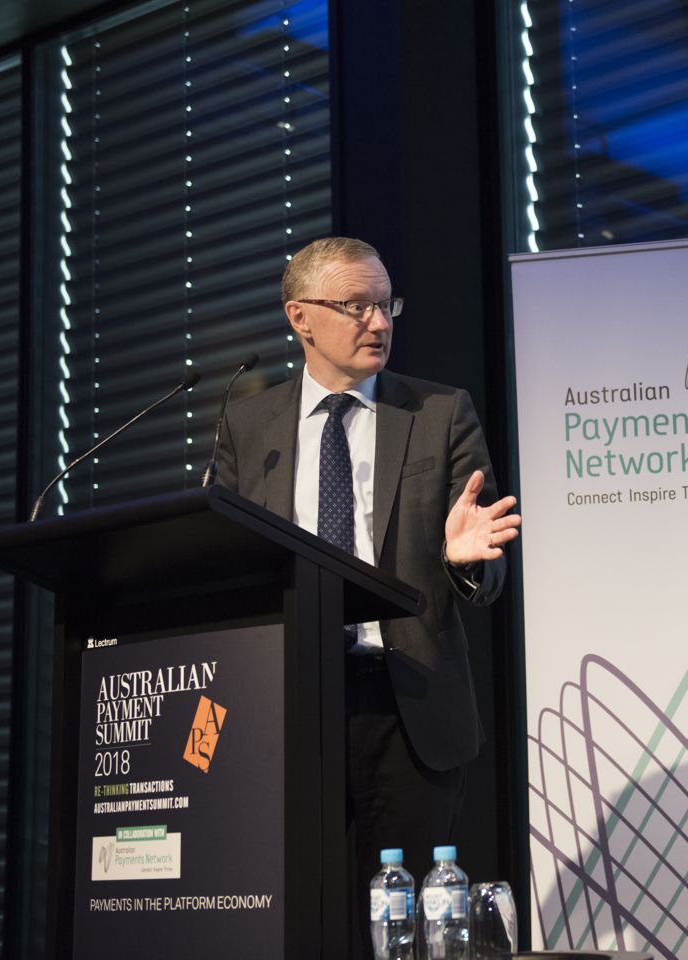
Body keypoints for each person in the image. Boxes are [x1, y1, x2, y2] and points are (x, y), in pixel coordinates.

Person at [216, 236, 520, 956]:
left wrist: (465, 562)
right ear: (300, 316)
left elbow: (488, 569)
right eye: (356, 306)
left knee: (402, 934)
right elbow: (228, 564)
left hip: (406, 706)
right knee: (292, 920)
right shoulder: (249, 427)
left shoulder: (440, 412)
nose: (378, 322)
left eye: (386, 305)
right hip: (287, 708)